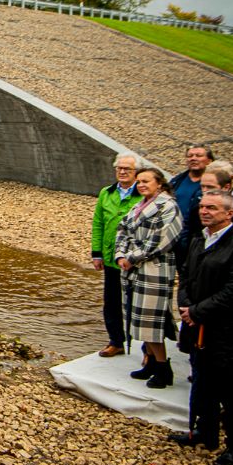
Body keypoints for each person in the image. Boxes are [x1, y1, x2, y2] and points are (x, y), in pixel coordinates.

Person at [170, 191, 233, 465]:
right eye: (202, 207)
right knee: (202, 381)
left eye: (212, 208)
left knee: (228, 390)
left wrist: (197, 312)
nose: (204, 211)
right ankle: (204, 431)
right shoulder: (200, 239)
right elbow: (186, 275)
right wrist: (185, 306)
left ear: (229, 214)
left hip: (226, 331)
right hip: (197, 326)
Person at [115, 167, 183, 389]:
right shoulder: (138, 205)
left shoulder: (168, 207)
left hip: (154, 269)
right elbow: (122, 229)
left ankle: (164, 368)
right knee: (139, 316)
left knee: (151, 320)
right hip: (133, 269)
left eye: (146, 181)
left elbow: (162, 240)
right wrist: (120, 255)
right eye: (139, 181)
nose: (141, 185)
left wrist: (132, 257)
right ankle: (151, 363)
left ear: (160, 184)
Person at [91, 153, 142, 357]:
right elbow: (98, 223)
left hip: (135, 260)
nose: (122, 172)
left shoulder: (143, 193)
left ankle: (147, 346)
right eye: (119, 168)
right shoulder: (107, 192)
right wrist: (97, 253)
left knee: (138, 302)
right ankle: (116, 341)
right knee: (111, 301)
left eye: (127, 169)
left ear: (136, 172)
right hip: (111, 258)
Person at [170, 144, 213, 253]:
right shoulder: (176, 181)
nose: (193, 158)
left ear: (209, 160)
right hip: (171, 236)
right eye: (190, 156)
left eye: (198, 155)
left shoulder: (212, 185)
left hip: (194, 240)